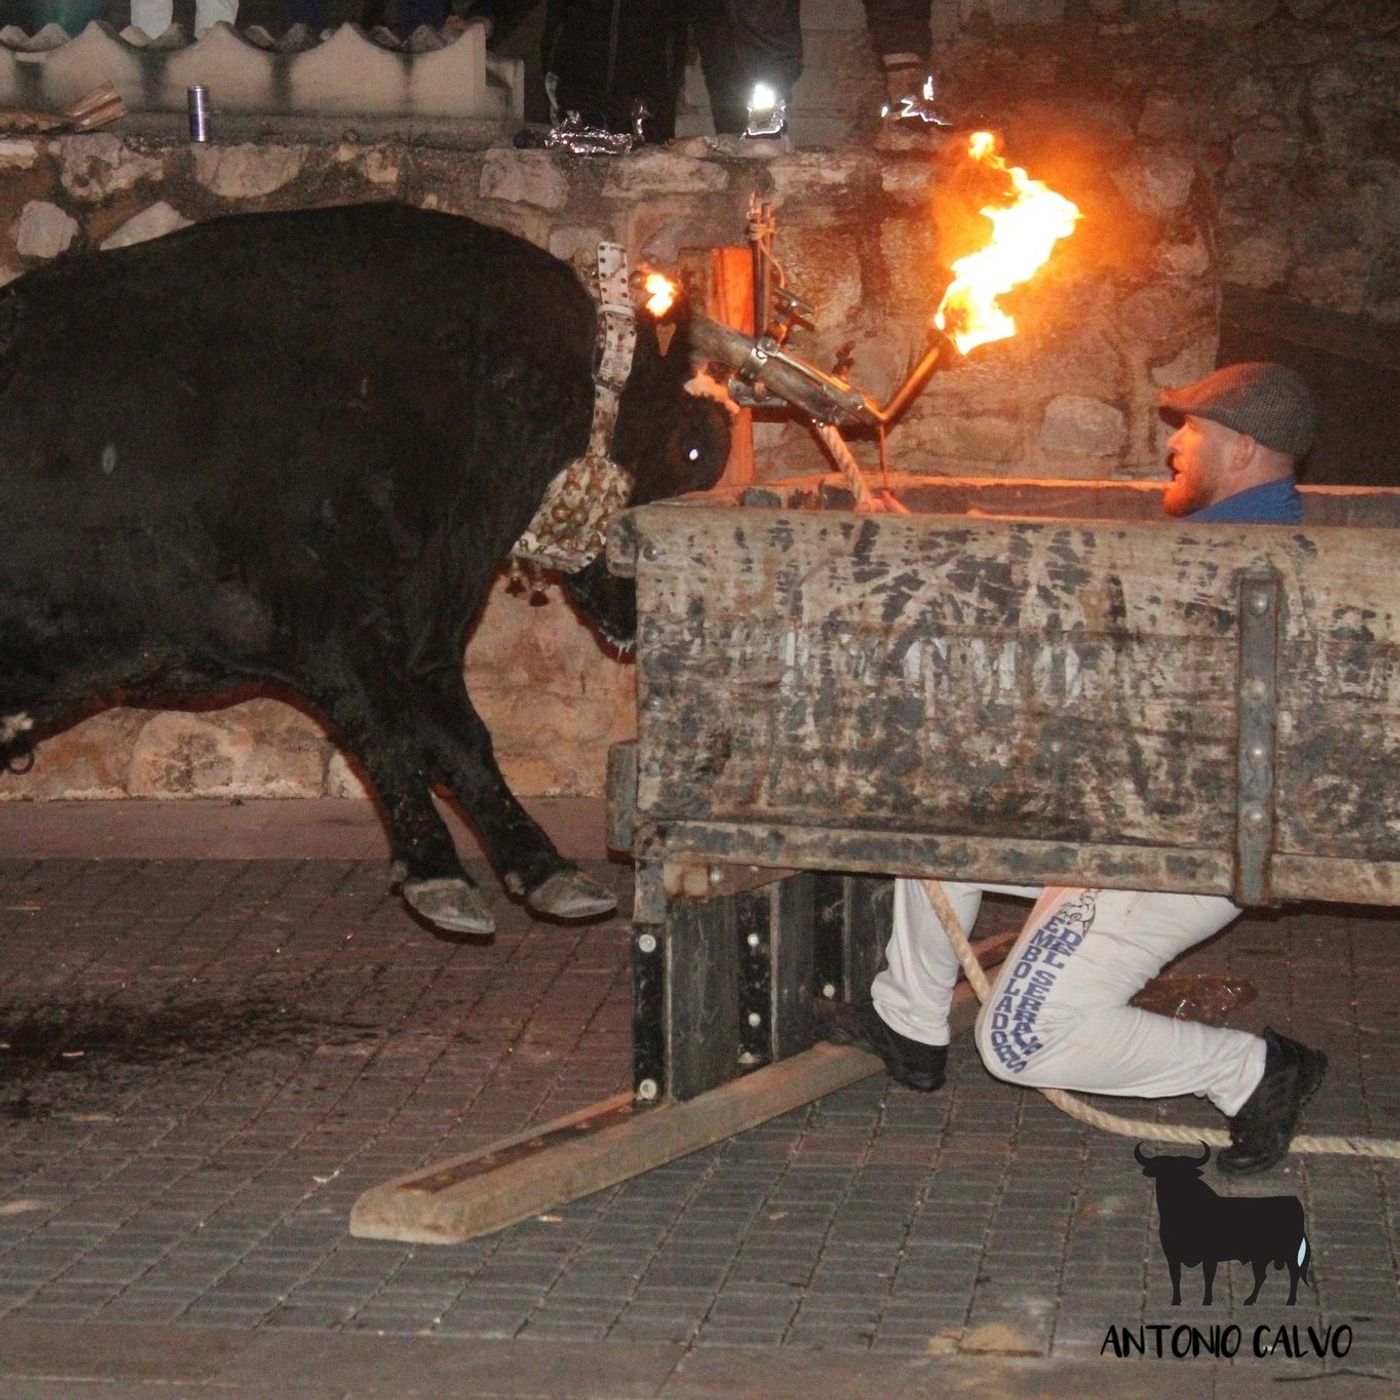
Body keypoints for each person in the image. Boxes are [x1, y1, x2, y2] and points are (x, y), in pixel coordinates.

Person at [825, 361, 1327, 1176]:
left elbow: (1056, 645)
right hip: (1139, 823)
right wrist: (926, 554)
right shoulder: (1245, 543)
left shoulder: (1226, 560)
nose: (1174, 446)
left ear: (1240, 451)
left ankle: (1255, 1072)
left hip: (1166, 857)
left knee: (1020, 1042)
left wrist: (924, 570)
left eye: (1193, 431)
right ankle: (910, 1023)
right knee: (943, 815)